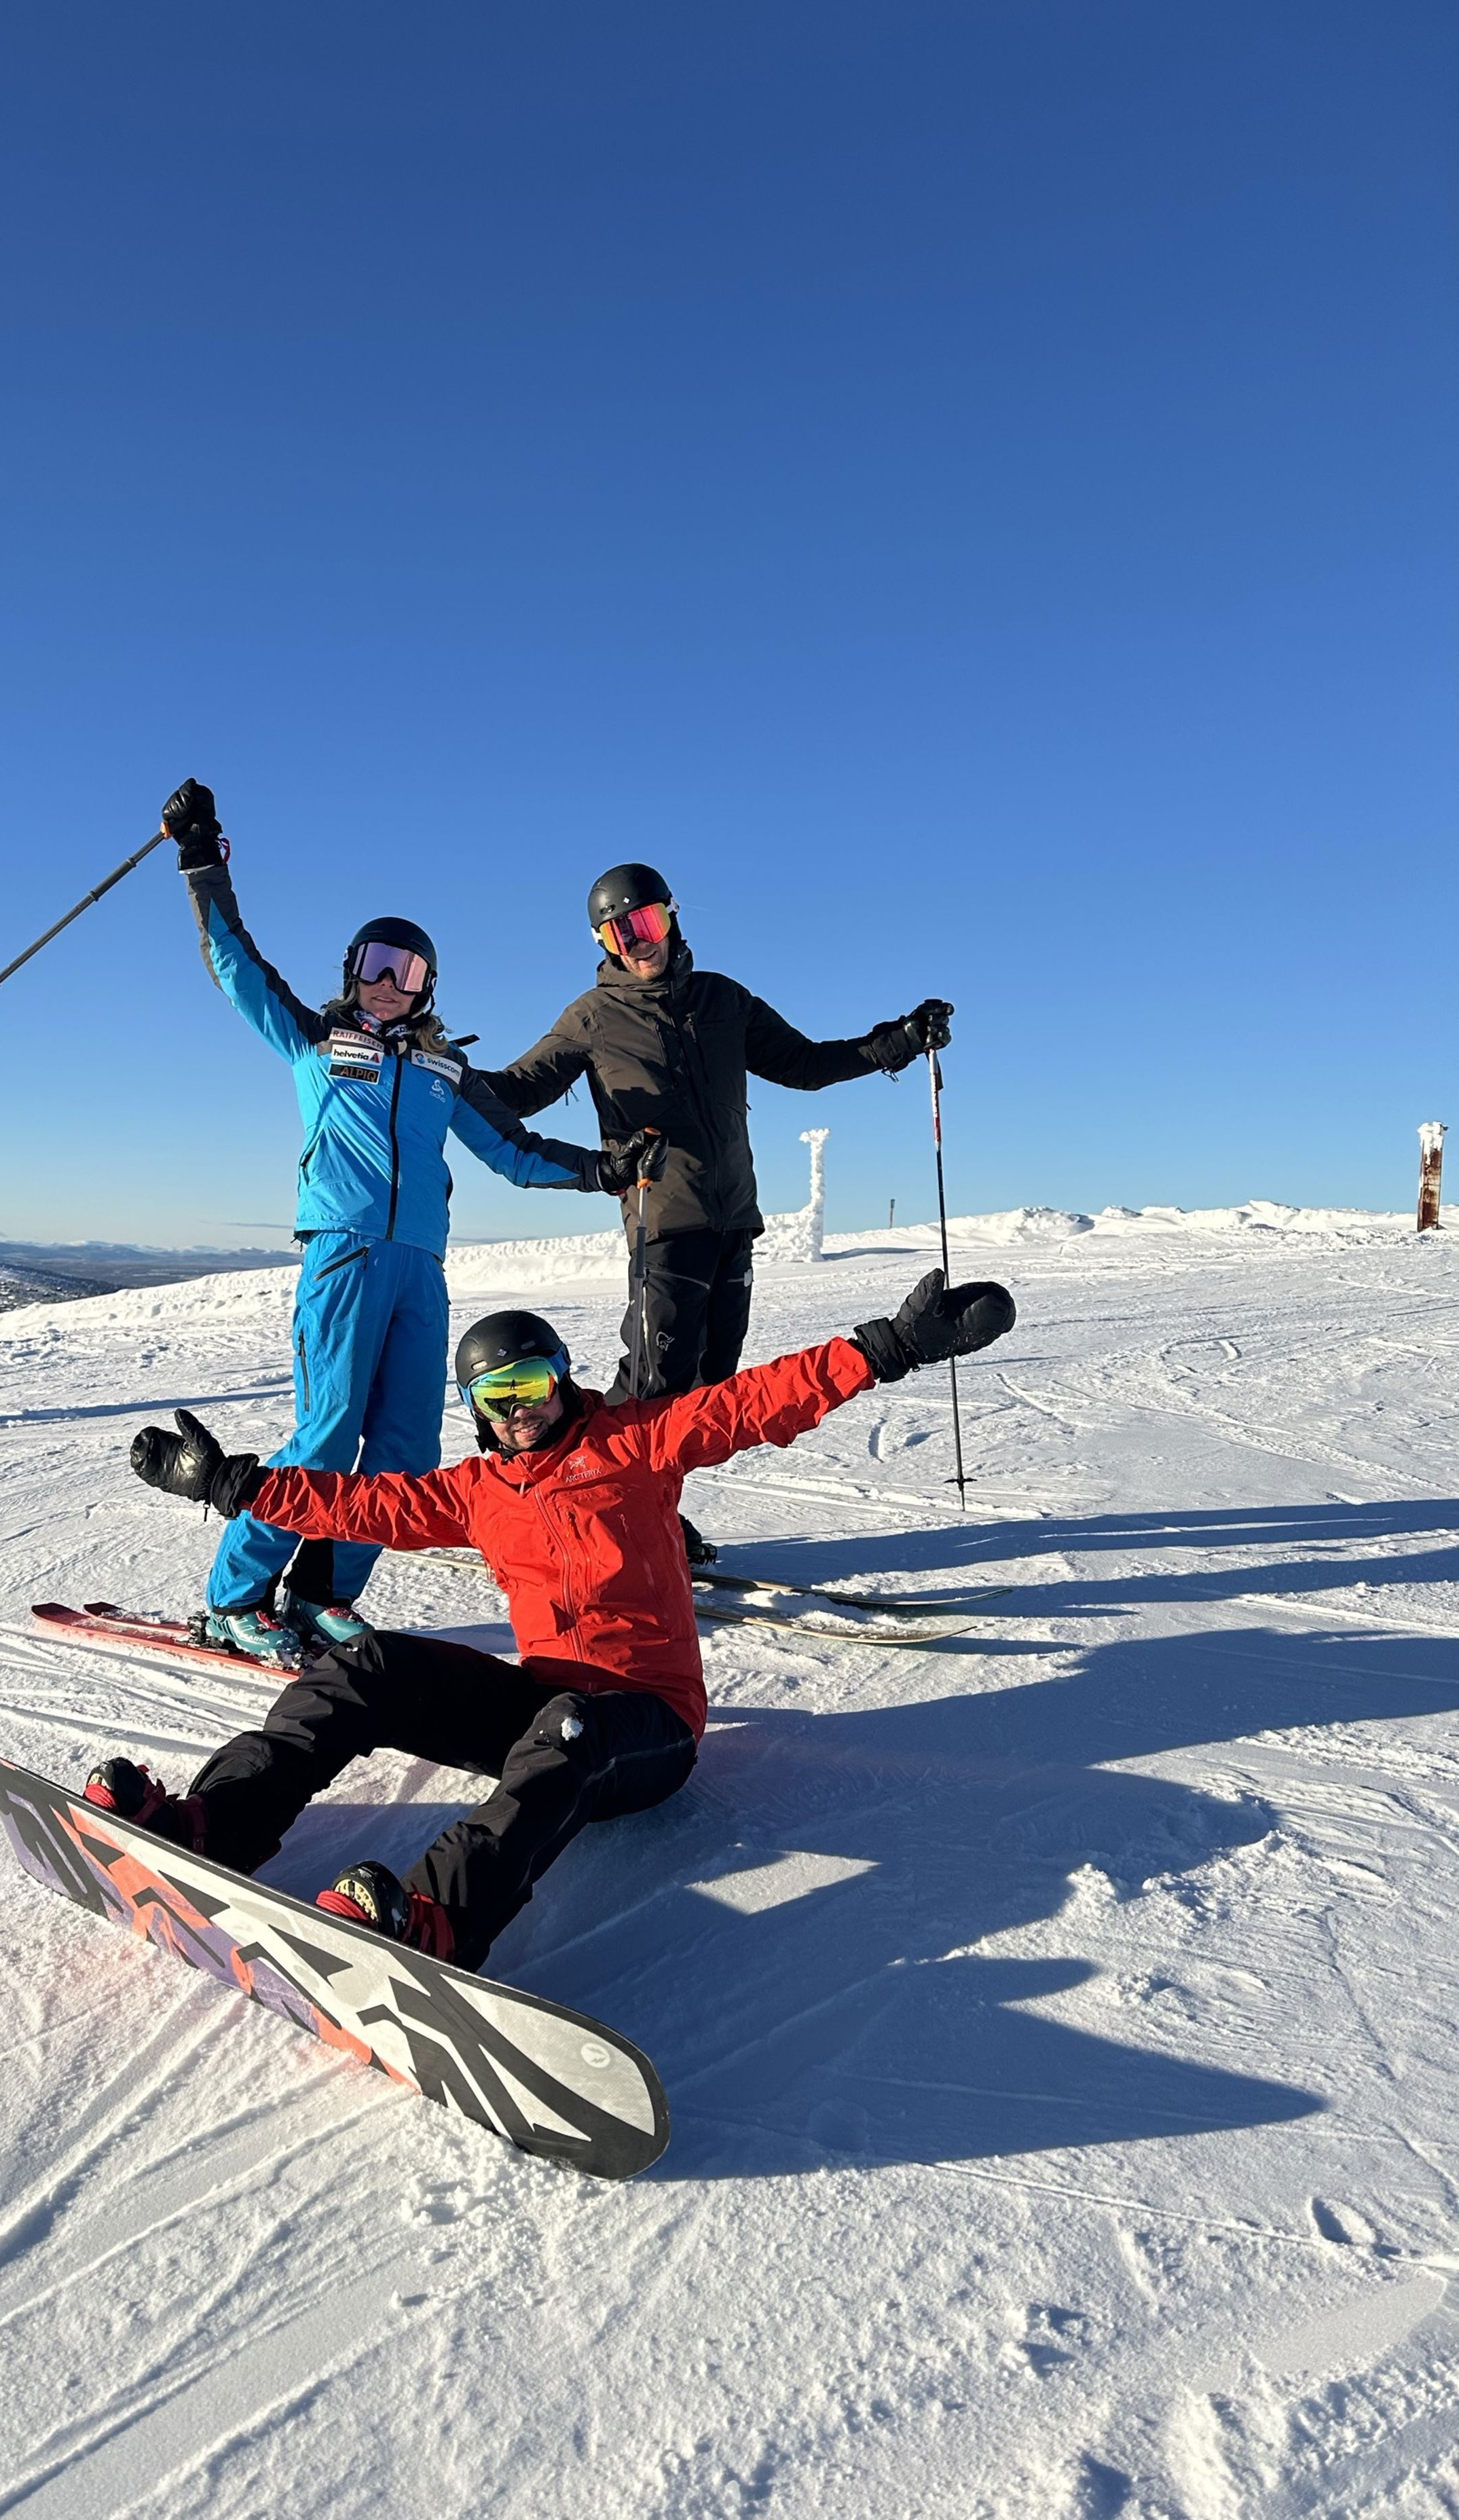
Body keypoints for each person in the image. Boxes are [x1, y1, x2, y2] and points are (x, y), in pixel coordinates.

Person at [88, 1265, 1015, 1974]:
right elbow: (361, 1504)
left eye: (533, 1385)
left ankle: (440, 1919)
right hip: (543, 1706)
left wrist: (889, 1344)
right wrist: (230, 1484)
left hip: (646, 1727)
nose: (520, 1411)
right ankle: (215, 1824)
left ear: (563, 1378)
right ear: (476, 1412)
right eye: (498, 1399)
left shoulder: (638, 1445)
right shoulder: (479, 1491)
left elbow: (755, 1404)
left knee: (571, 1731)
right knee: (364, 1667)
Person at [158, 779, 661, 1667]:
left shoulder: (440, 1072)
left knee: (403, 1447)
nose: (391, 985)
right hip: (344, 1259)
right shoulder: (316, 1042)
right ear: (352, 970)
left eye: (412, 972)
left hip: (420, 1269)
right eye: (377, 965)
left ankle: (323, 1595)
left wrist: (601, 1172)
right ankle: (235, 1598)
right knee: (325, 1434)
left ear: (430, 988)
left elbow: (512, 1151)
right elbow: (236, 964)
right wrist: (202, 859)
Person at [469, 862, 957, 1563]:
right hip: (663, 1226)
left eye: (648, 922)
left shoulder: (724, 1001)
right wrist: (444, 1070)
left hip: (735, 1222)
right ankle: (593, 1501)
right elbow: (517, 1090)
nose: (639, 941)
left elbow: (808, 1063)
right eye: (620, 930)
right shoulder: (593, 1016)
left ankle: (651, 1503)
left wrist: (902, 1040)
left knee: (708, 1389)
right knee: (651, 1387)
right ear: (604, 942)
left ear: (672, 918)